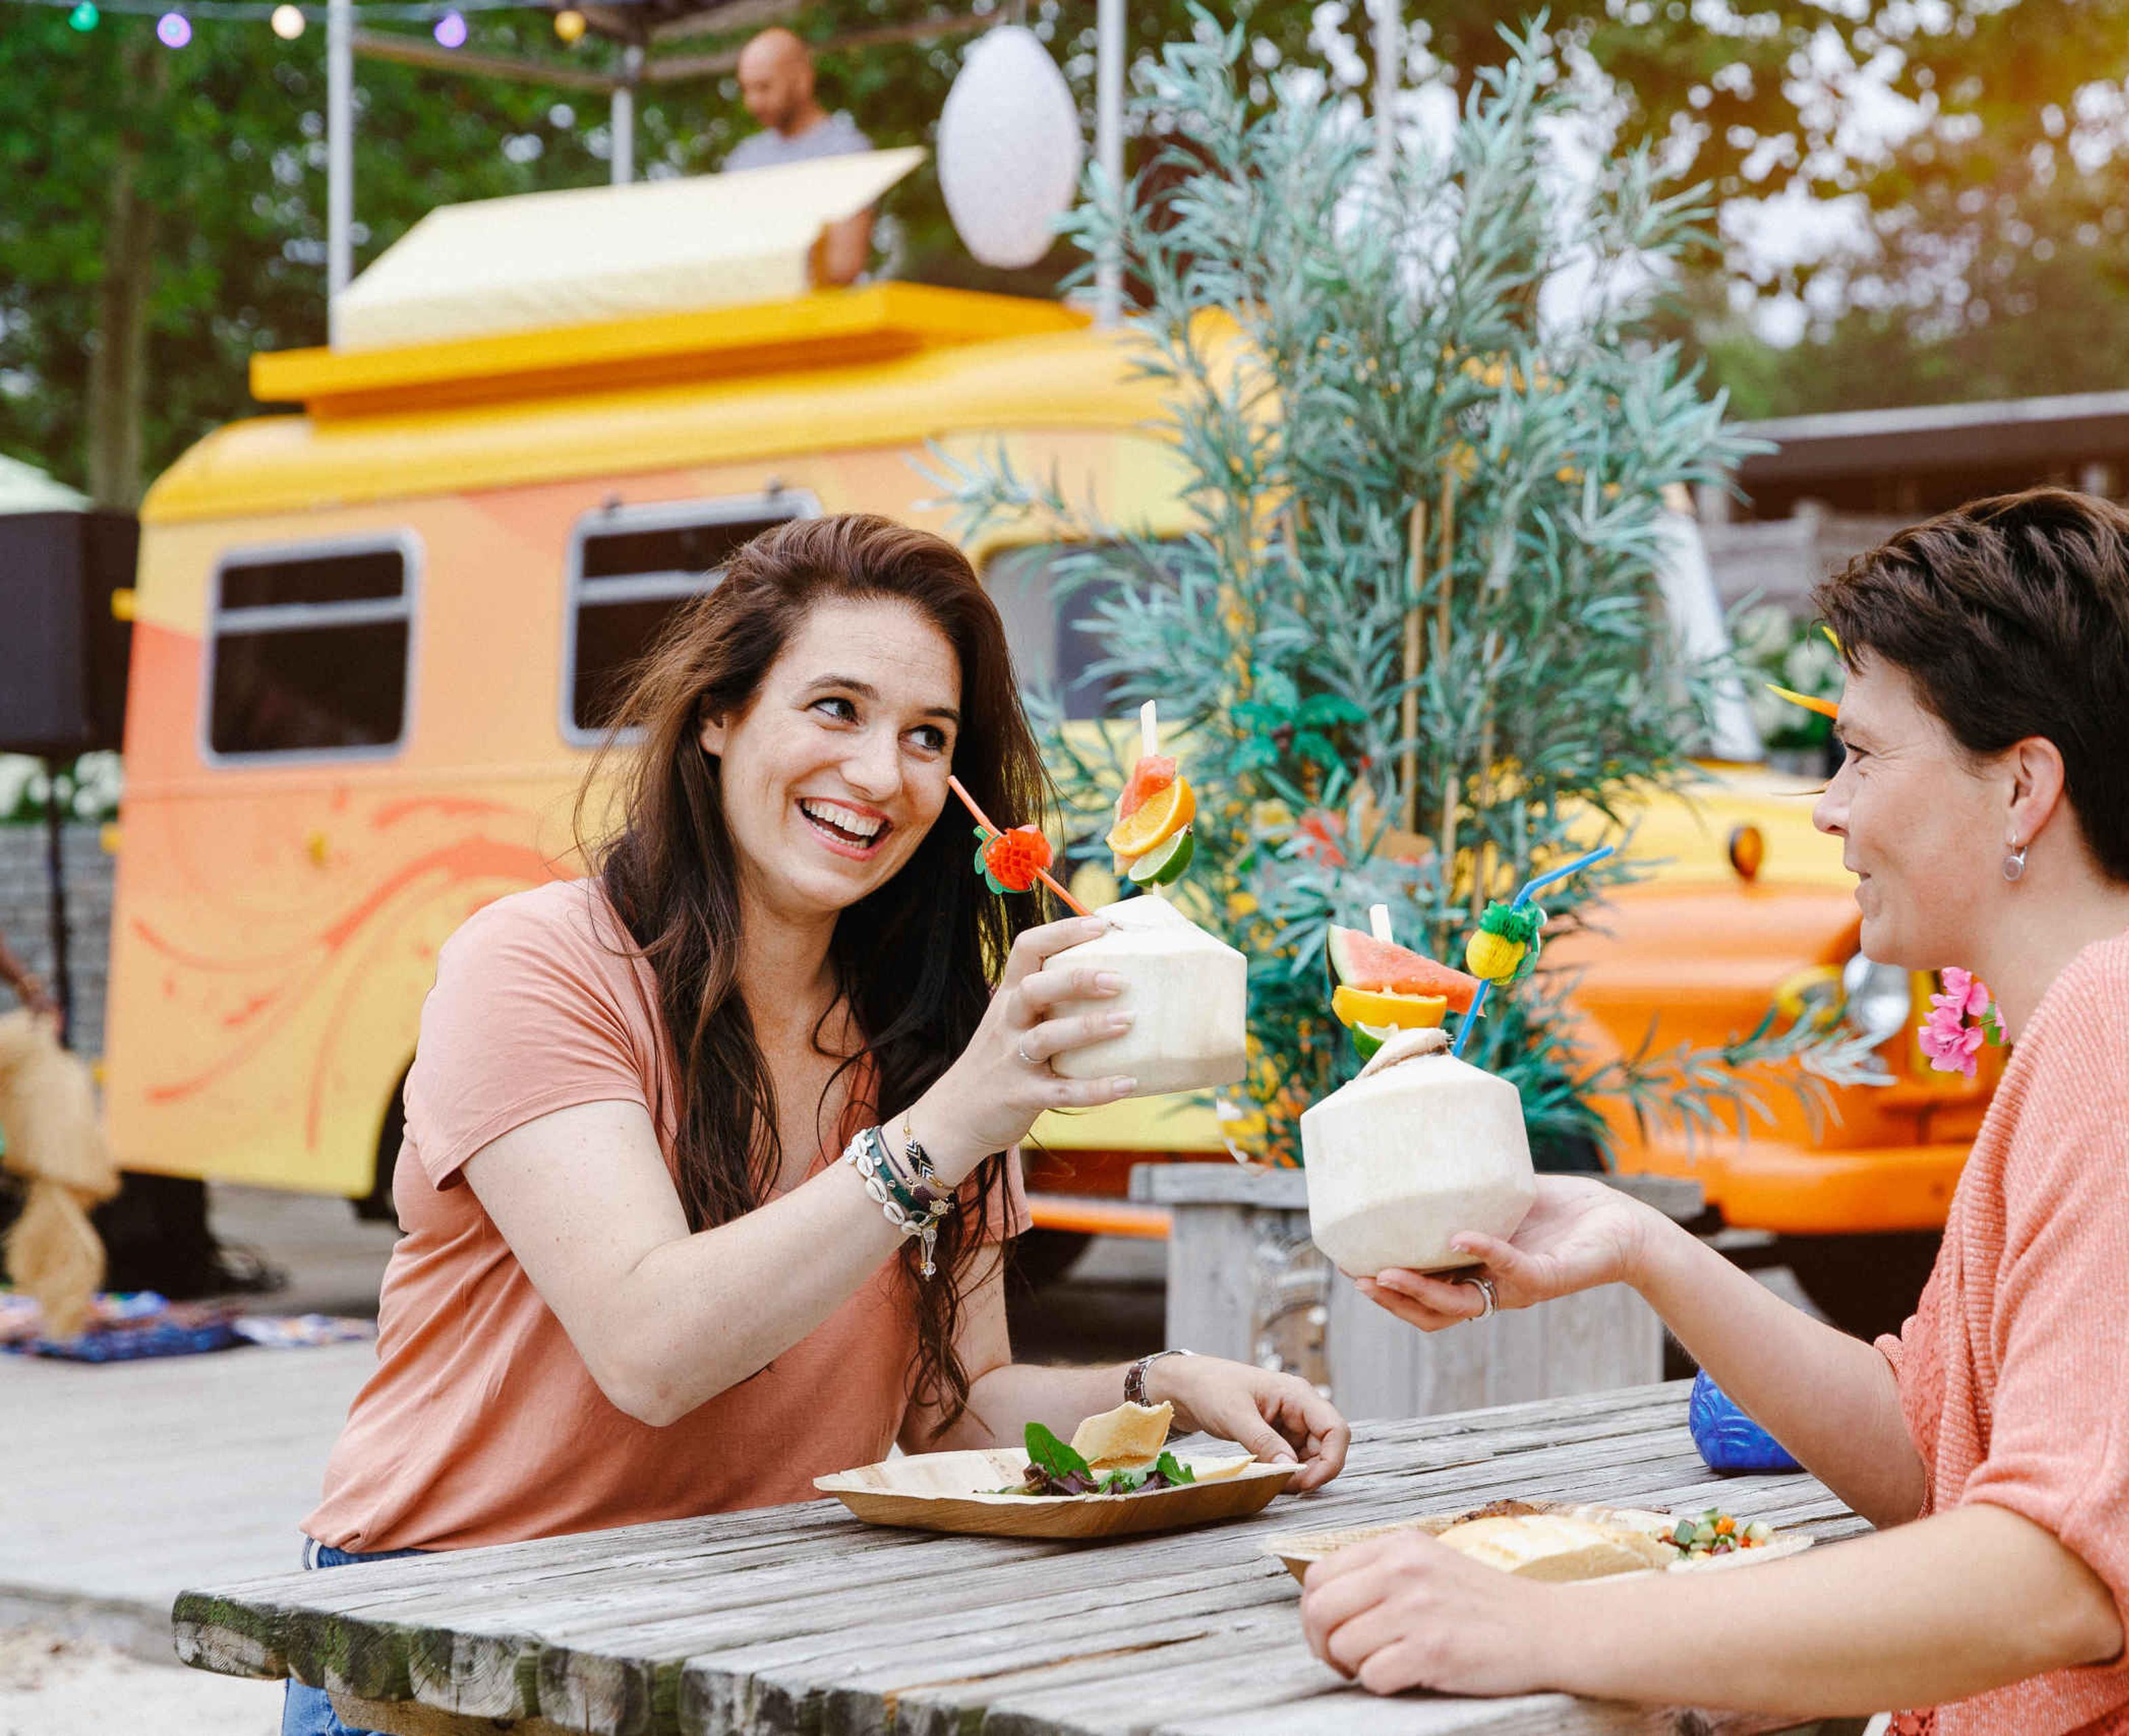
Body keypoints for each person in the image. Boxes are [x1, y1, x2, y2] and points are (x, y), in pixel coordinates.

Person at [1306, 490, 2129, 1732]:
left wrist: (1540, 1627)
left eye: (1862, 754)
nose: (1827, 808)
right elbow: (1929, 1448)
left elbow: (2054, 1576)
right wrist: (1640, 1248)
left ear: (2022, 790)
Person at [287, 516, 1349, 1736]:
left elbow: (956, 1405)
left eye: (926, 738)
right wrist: (941, 1130)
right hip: (446, 1655)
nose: (880, 774)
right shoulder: (537, 966)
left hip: (744, 1640)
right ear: (718, 715)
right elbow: (652, 1350)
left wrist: (1164, 1388)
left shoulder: (932, 1031)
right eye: (834, 708)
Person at [724, 26, 874, 283]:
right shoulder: (742, 160)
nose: (753, 102)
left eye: (764, 87)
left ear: (802, 80)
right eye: (746, 89)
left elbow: (844, 265)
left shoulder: (846, 152)